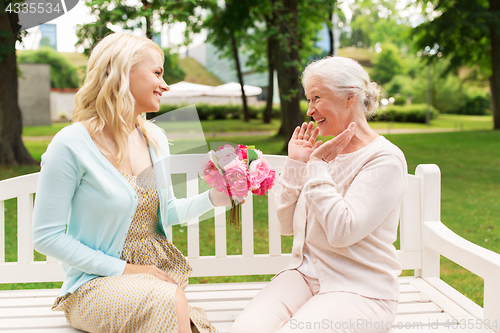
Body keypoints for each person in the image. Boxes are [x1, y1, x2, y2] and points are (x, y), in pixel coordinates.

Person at [32, 32, 232, 333]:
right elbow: (46, 237)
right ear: (124, 72)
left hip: (155, 282)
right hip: (92, 287)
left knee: (182, 317)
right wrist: (128, 270)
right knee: (166, 302)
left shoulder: (156, 137)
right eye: (157, 73)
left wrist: (218, 196)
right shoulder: (71, 143)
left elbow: (167, 213)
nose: (165, 85)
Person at [230, 56, 408, 333]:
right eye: (308, 100)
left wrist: (315, 167)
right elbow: (286, 226)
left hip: (360, 288)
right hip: (304, 276)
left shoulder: (384, 159)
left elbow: (342, 232)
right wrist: (297, 165)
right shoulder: (324, 157)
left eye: (316, 98)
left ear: (349, 98)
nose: (310, 110)